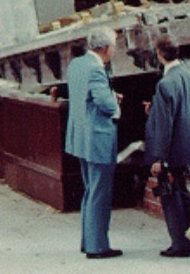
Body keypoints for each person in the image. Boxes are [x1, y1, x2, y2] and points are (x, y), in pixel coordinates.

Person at [64, 26, 124, 260]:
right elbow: (106, 104)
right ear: (106, 48)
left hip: (80, 136)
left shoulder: (76, 65)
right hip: (98, 137)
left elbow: (85, 96)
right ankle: (98, 246)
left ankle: (88, 240)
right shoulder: (97, 70)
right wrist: (114, 102)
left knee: (90, 190)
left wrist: (107, 95)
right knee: (100, 192)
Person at [144, 35, 190, 258]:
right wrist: (156, 110)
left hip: (169, 150)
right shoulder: (187, 75)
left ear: (159, 55)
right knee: (183, 192)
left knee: (170, 196)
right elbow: (177, 111)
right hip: (184, 145)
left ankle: (179, 244)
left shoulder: (164, 84)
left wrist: (158, 158)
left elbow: (164, 125)